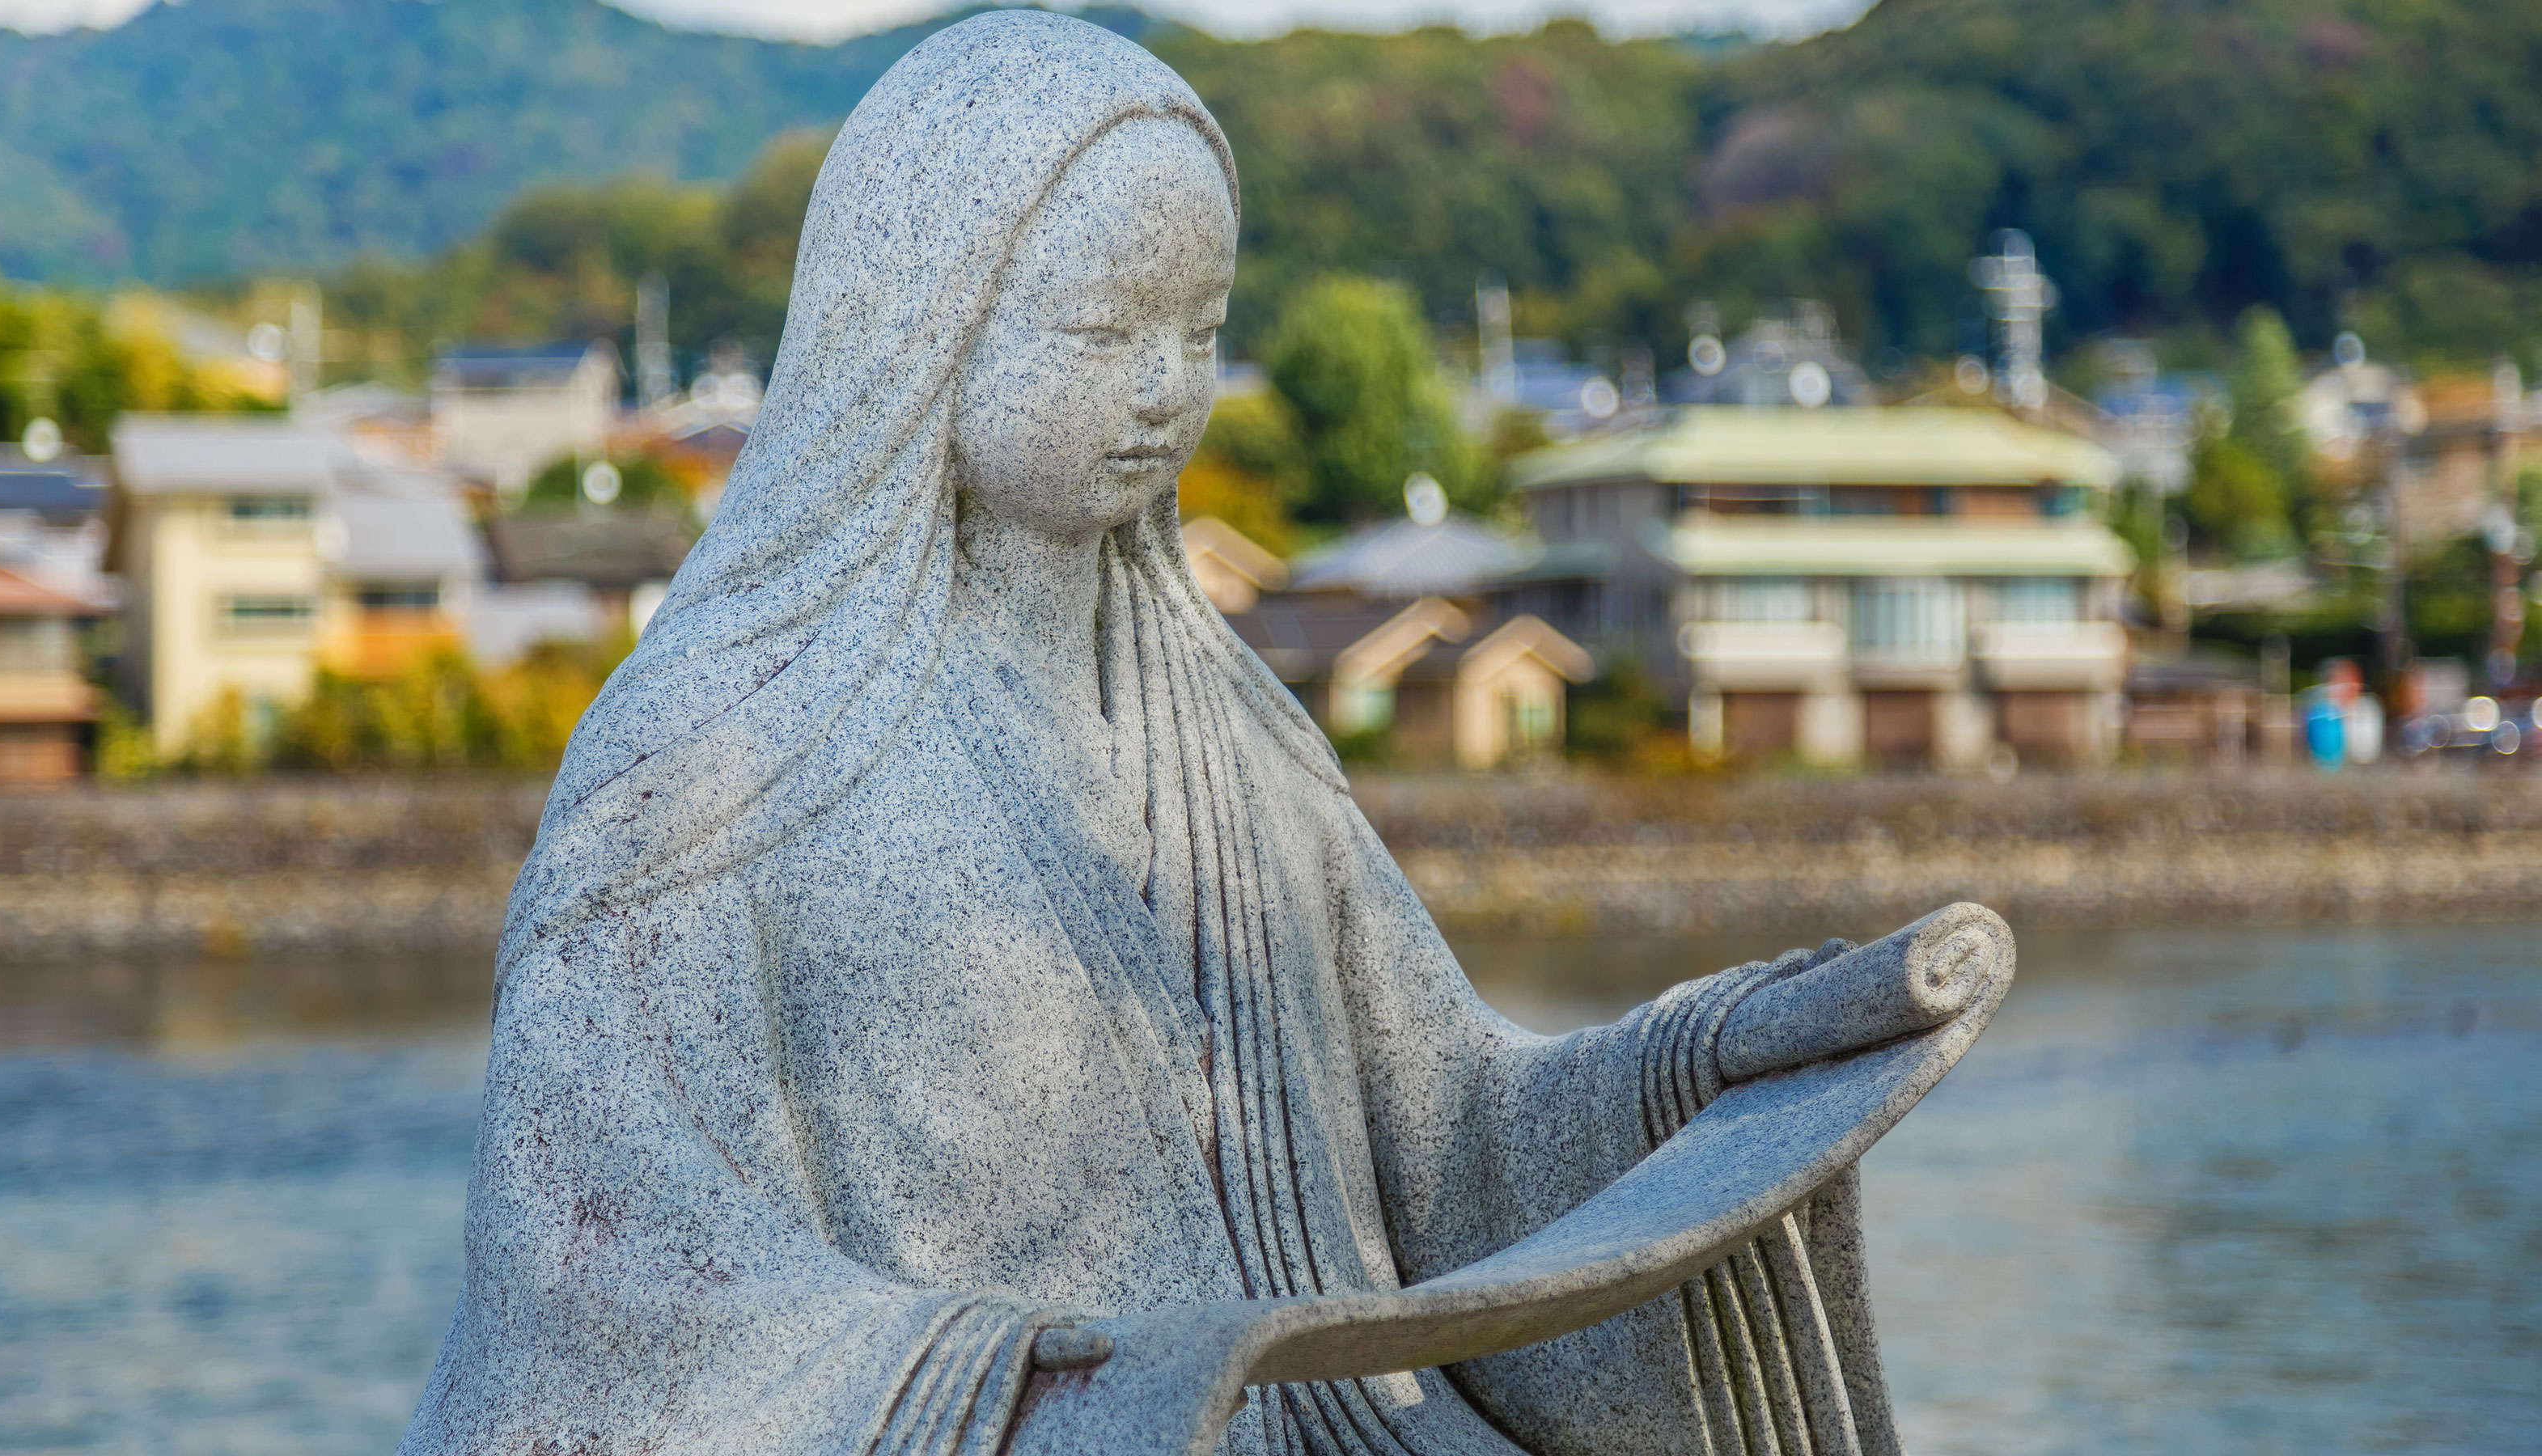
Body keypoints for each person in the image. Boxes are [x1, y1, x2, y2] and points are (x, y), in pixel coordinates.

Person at [400, 15, 1898, 1455]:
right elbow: (606, 1271)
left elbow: (1450, 1137)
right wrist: (1000, 1378)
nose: (1165, 389)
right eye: (1104, 330)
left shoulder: (1233, 735)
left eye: (1203, 331)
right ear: (924, 319)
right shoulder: (719, 757)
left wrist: (1716, 1057)